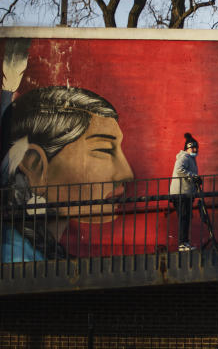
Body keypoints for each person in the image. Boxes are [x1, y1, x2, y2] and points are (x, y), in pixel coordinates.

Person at [1, 86, 134, 262]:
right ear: (35, 165)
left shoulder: (38, 252)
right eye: (104, 150)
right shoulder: (15, 258)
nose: (127, 174)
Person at [170, 133, 201, 251]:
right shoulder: (185, 157)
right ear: (187, 148)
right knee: (184, 217)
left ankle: (185, 242)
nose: (195, 150)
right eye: (192, 147)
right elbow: (179, 169)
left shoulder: (190, 158)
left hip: (185, 193)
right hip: (181, 193)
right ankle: (182, 244)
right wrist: (194, 176)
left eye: (196, 147)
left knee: (186, 217)